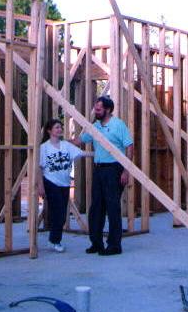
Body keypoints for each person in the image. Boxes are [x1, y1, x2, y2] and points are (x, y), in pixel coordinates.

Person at [72, 96, 133, 256]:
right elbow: (80, 141)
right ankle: (96, 243)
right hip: (99, 169)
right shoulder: (95, 126)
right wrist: (57, 140)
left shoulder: (118, 125)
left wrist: (126, 170)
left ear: (107, 109)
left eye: (98, 109)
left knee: (112, 207)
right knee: (96, 207)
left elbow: (129, 146)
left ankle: (114, 246)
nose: (96, 111)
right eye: (95, 108)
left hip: (115, 169)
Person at [37, 119, 88, 252]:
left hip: (64, 184)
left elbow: (82, 154)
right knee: (58, 213)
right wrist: (40, 186)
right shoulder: (44, 147)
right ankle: (55, 241)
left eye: (60, 127)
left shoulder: (66, 145)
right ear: (49, 131)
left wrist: (106, 155)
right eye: (56, 127)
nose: (60, 130)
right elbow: (40, 168)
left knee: (61, 213)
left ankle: (53, 240)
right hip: (51, 182)